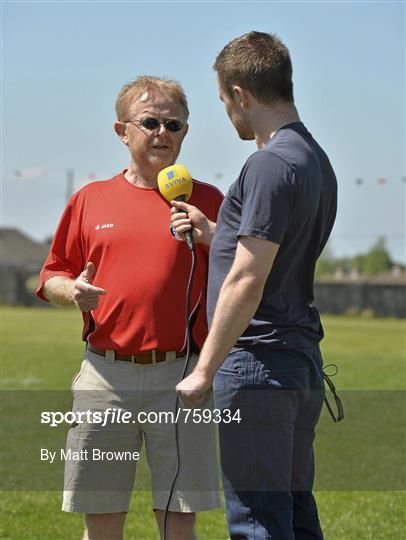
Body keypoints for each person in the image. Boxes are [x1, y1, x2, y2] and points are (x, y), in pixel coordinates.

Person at [36, 76, 222, 540]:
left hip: (182, 378)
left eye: (174, 124)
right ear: (123, 131)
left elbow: (247, 271)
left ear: (185, 131)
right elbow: (51, 274)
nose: (163, 133)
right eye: (151, 122)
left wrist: (215, 236)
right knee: (100, 519)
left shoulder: (209, 201)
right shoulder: (89, 199)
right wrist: (71, 291)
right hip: (105, 376)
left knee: (178, 517)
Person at [174, 31, 338, 539]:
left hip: (257, 366)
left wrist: (205, 370)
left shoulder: (268, 164)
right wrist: (216, 234)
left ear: (241, 92)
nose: (228, 113)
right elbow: (273, 249)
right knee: (294, 512)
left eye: (225, 101)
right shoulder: (313, 158)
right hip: (296, 359)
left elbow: (248, 277)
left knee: (257, 522)